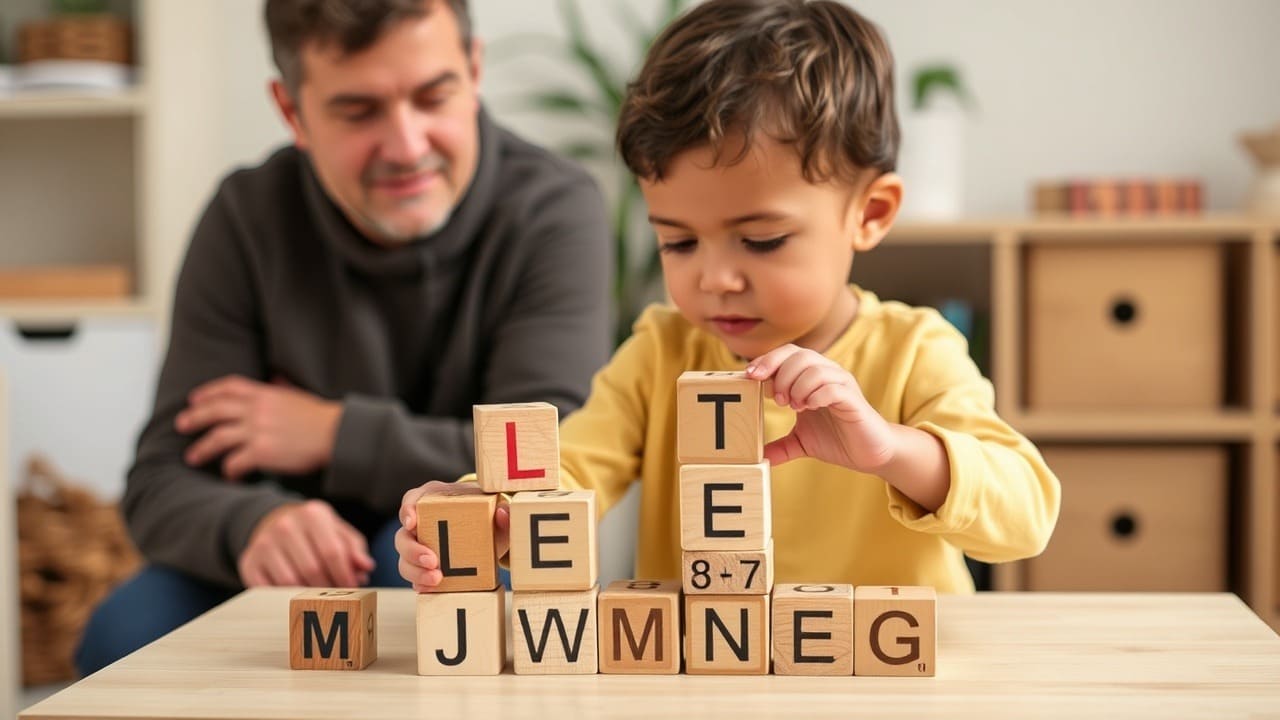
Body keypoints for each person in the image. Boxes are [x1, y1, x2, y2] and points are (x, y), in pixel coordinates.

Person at [396, 0, 1059, 593]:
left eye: (762, 240)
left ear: (872, 211)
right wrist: (486, 515)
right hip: (713, 680)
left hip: (885, 686)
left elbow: (1025, 515)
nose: (714, 279)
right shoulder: (661, 352)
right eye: (679, 244)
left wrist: (889, 449)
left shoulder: (916, 350)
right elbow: (572, 470)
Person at [75, 0, 611, 675]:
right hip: (281, 548)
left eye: (434, 96)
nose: (408, 146)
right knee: (123, 632)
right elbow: (158, 482)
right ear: (291, 111)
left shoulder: (555, 210)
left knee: (424, 565)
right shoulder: (245, 218)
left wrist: (333, 435)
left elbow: (550, 465)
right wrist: (252, 525)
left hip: (452, 543)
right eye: (359, 112)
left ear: (474, 72)